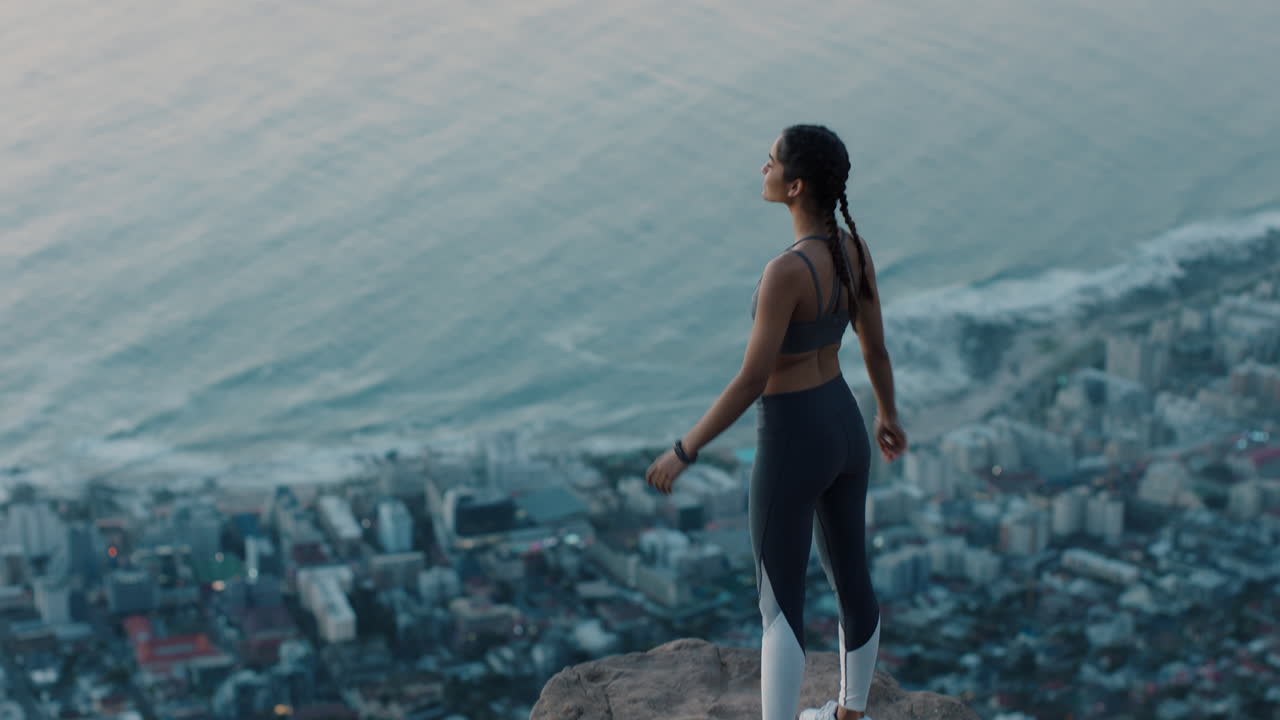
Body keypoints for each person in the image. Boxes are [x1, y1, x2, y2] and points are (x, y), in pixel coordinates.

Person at [645, 124, 907, 720]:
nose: (759, 169)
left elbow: (751, 379)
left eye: (768, 163)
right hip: (845, 423)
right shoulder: (854, 251)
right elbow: (876, 349)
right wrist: (887, 414)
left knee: (779, 604)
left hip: (793, 437)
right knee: (852, 578)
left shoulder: (785, 272)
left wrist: (684, 450)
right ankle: (851, 710)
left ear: (793, 187)